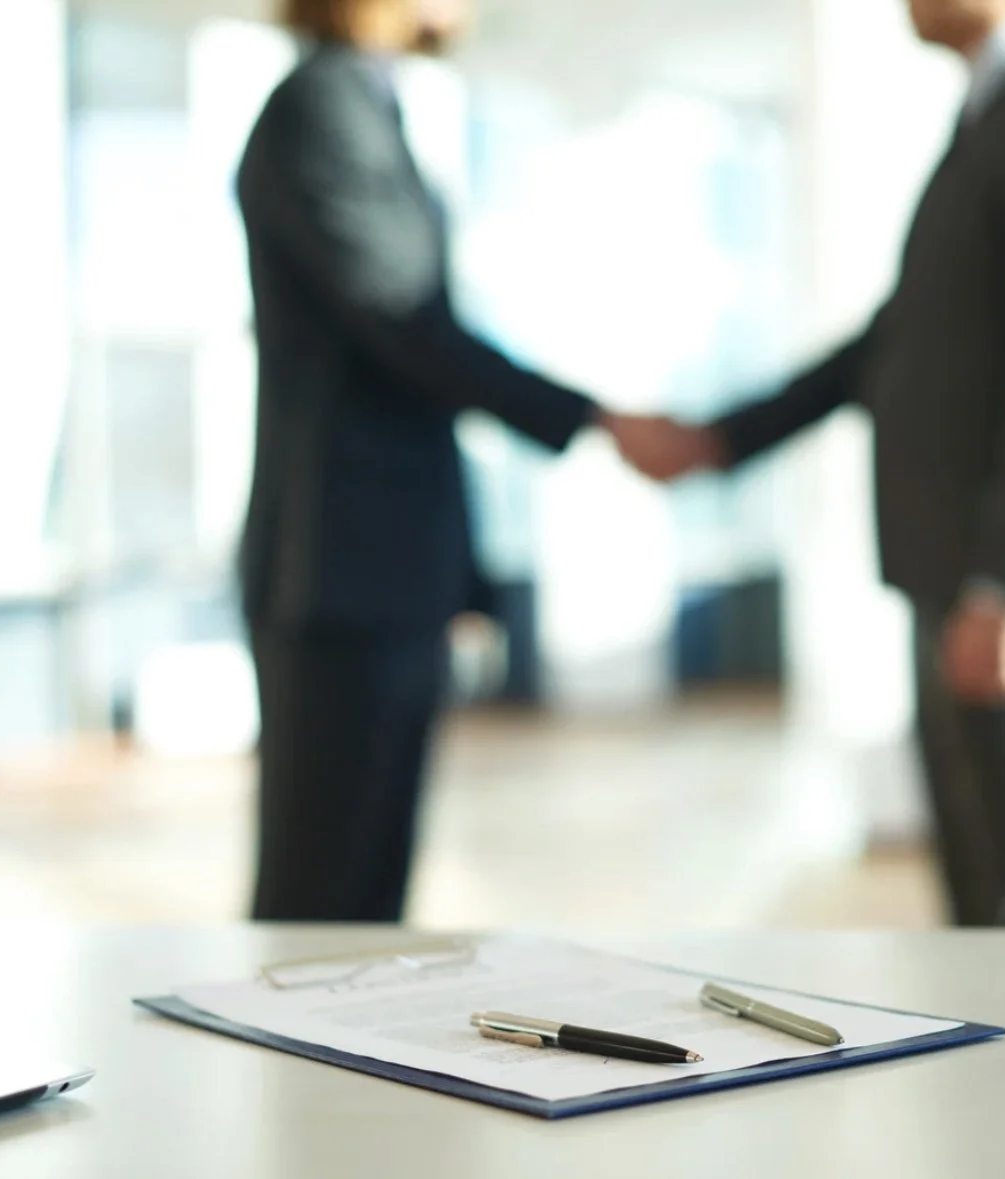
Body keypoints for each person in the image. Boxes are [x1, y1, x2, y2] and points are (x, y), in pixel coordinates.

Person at [636, 0, 1005, 926]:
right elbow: (898, 339)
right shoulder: (987, 117)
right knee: (979, 876)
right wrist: (721, 440)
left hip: (992, 579)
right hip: (945, 562)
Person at [237, 0, 680, 921]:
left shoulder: (365, 105)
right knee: (322, 898)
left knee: (366, 891)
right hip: (340, 570)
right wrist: (590, 415)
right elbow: (407, 328)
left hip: (384, 568)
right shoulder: (320, 105)